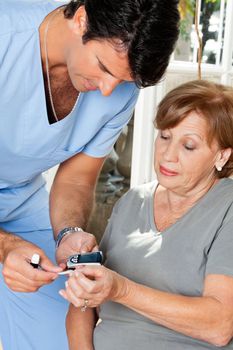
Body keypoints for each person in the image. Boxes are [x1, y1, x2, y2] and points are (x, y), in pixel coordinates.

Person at [0, 0, 179, 349]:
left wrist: (69, 232)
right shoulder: (6, 37)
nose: (109, 90)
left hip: (19, 198)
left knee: (67, 324)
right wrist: (5, 245)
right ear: (81, 19)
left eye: (123, 80)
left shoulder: (121, 88)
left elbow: (76, 179)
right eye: (102, 68)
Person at [63, 80, 233, 350]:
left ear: (222, 156)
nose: (168, 155)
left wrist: (122, 290)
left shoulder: (227, 208)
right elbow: (82, 304)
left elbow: (219, 326)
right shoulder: (133, 201)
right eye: (165, 136)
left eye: (188, 146)